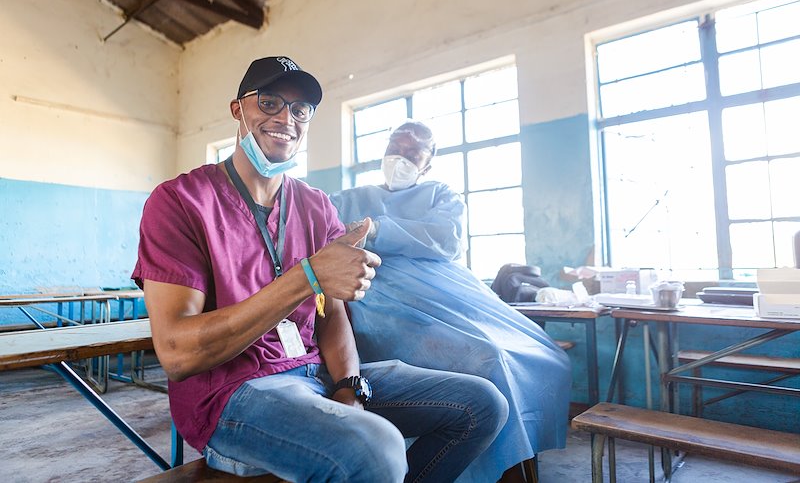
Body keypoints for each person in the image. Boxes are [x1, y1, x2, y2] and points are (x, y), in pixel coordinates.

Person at [132, 57, 509, 483]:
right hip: (236, 393)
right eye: (269, 103)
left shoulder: (314, 205)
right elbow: (177, 354)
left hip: (315, 373)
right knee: (377, 449)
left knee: (482, 405)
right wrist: (306, 276)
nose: (285, 119)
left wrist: (349, 386)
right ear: (238, 109)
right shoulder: (180, 201)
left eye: (299, 110)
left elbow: (330, 314)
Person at [330, 121, 572, 483]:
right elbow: (316, 227)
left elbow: (447, 238)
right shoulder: (348, 198)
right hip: (383, 299)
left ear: (427, 164)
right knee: (487, 358)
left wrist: (380, 229)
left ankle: (517, 459)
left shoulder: (439, 194)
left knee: (543, 357)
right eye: (395, 147)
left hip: (447, 292)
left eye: (413, 153)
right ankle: (487, 467)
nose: (401, 157)